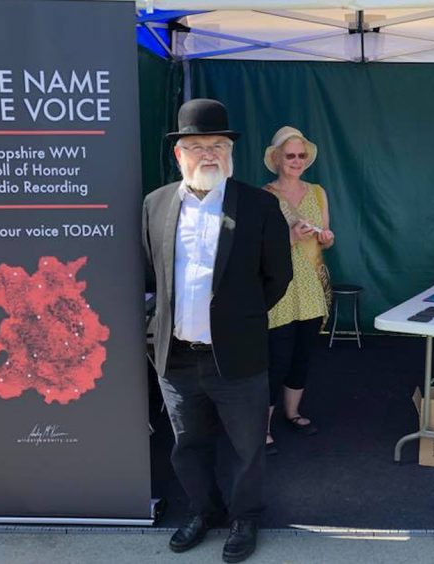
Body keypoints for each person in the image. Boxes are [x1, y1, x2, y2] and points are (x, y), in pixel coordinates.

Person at [142, 99, 292, 563]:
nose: (208, 153)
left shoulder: (260, 205)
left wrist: (238, 319)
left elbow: (278, 277)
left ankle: (245, 517)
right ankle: (203, 512)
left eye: (218, 145)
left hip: (238, 354)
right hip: (178, 357)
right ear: (178, 154)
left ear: (230, 151)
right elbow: (150, 274)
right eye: (197, 146)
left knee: (247, 447)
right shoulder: (155, 204)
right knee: (187, 445)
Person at [262, 126, 335, 454]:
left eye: (301, 155)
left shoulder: (318, 192)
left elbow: (326, 235)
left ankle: (292, 413)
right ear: (276, 158)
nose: (296, 160)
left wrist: (326, 238)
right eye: (289, 155)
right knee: (275, 358)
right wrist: (291, 237)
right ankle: (260, 426)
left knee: (302, 354)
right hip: (280, 286)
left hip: (311, 285)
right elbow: (256, 247)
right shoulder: (263, 196)